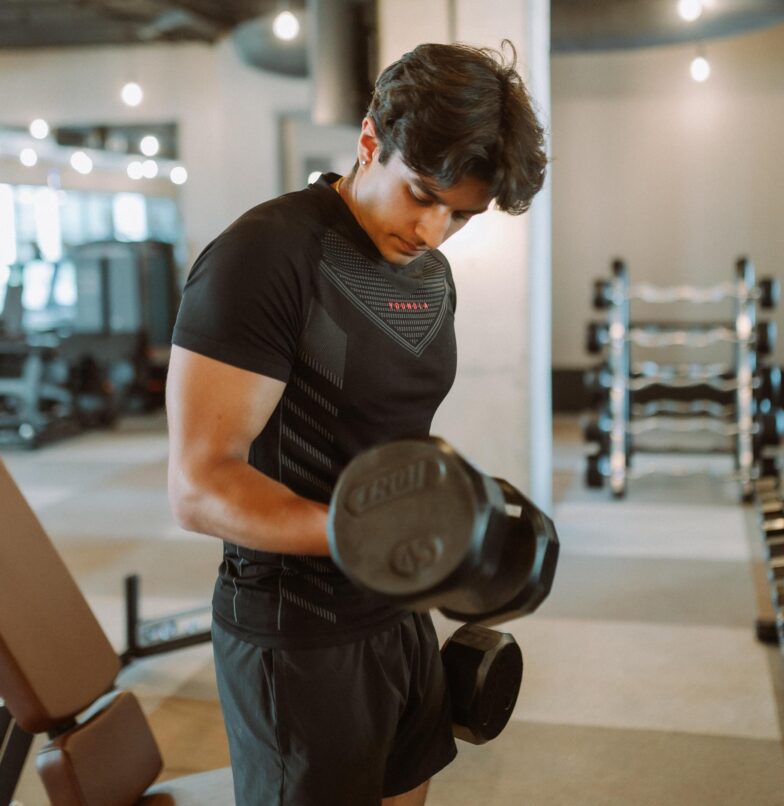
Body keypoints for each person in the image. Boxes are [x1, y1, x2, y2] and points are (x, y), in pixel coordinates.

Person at [166, 39, 547, 806]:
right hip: (297, 632)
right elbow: (201, 487)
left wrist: (455, 516)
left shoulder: (430, 276)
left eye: (461, 215)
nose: (434, 233)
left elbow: (379, 436)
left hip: (398, 612)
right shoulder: (264, 257)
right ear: (370, 139)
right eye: (421, 195)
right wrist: (387, 536)